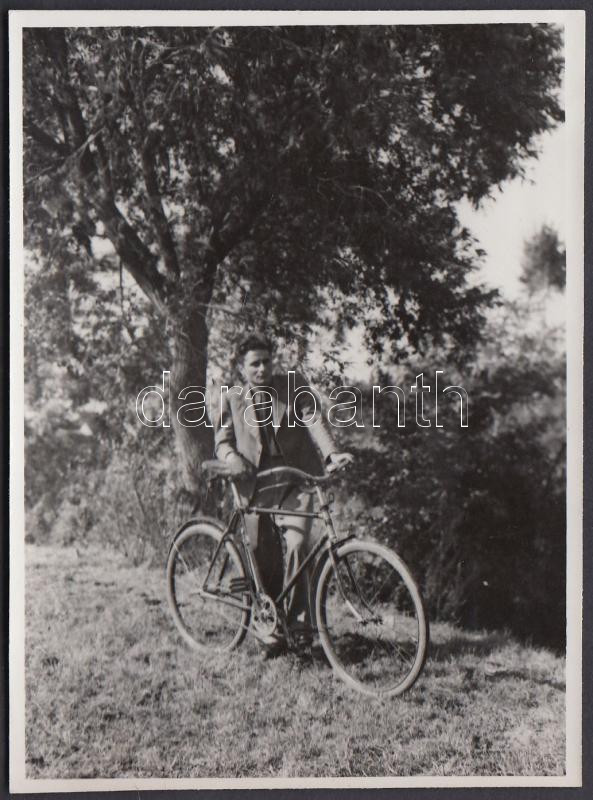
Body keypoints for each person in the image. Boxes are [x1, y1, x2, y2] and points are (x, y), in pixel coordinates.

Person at [213, 333, 352, 656]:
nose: (262, 368)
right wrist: (232, 459)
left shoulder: (293, 385)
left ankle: (300, 629)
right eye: (254, 364)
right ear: (242, 367)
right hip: (256, 486)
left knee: (299, 545)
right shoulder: (232, 398)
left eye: (266, 361)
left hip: (294, 481)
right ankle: (271, 630)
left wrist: (331, 454)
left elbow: (313, 418)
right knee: (262, 558)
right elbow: (221, 442)